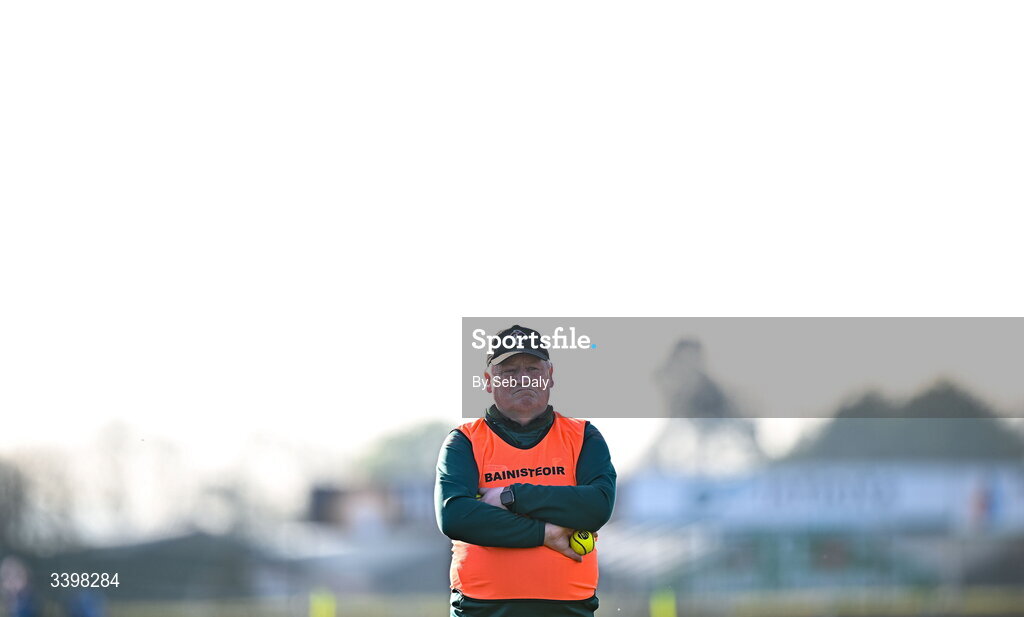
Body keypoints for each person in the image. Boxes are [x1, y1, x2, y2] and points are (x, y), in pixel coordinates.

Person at [436, 325, 617, 617]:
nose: (522, 379)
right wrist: (543, 533)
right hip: (481, 609)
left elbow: (597, 507)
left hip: (569, 609)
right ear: (488, 381)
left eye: (533, 369)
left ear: (550, 376)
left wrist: (512, 496)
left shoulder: (584, 436)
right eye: (509, 372)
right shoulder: (464, 441)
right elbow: (456, 516)